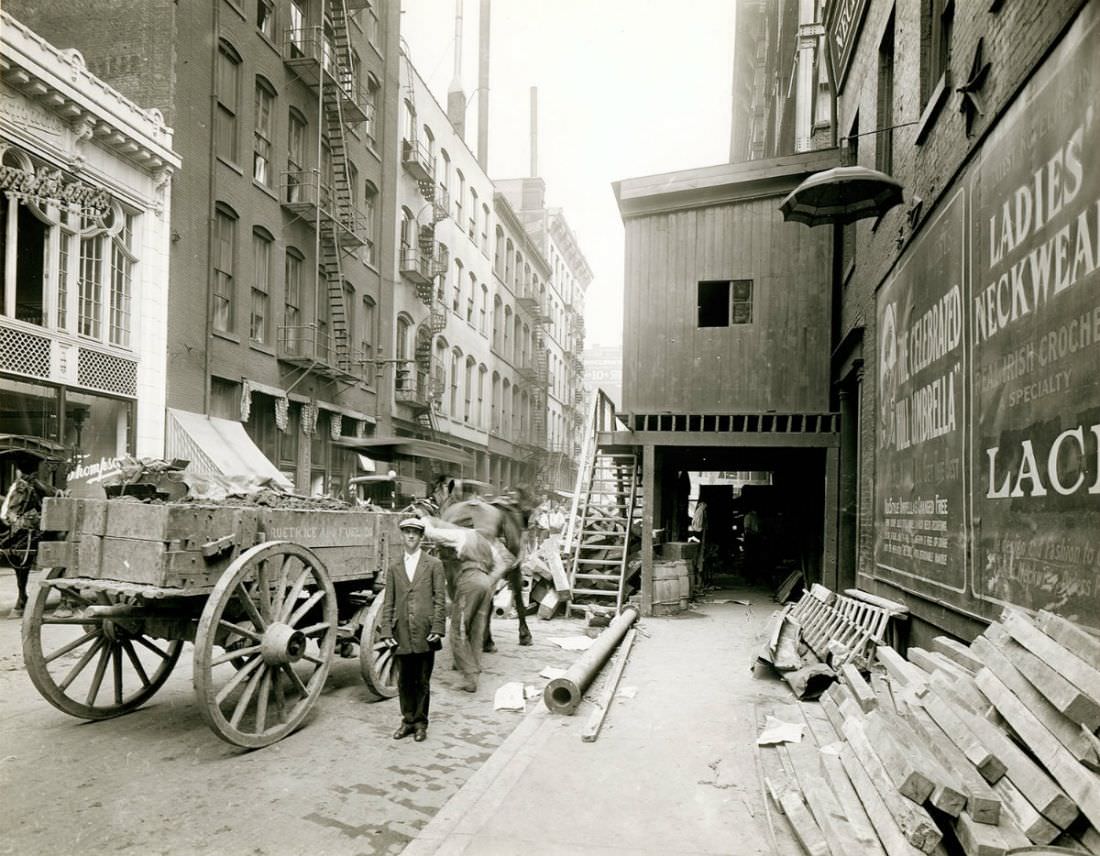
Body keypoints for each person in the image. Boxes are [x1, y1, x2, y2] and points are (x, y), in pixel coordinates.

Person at [418, 504, 514, 693]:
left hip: (469, 580)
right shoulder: (489, 544)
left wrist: (423, 518)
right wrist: (489, 578)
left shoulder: (462, 535)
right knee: (477, 630)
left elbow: (431, 533)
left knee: (457, 630)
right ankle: (475, 671)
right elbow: (506, 562)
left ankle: (469, 678)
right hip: (486, 584)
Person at [379, 517, 447, 742]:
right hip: (402, 633)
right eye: (407, 532)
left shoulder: (433, 565)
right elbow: (388, 601)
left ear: (421, 538)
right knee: (404, 680)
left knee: (422, 680)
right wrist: (387, 631)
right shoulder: (394, 567)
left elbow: (440, 599)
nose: (410, 536)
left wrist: (437, 626)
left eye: (415, 533)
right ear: (402, 536)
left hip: (425, 631)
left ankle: (420, 723)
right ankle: (407, 721)